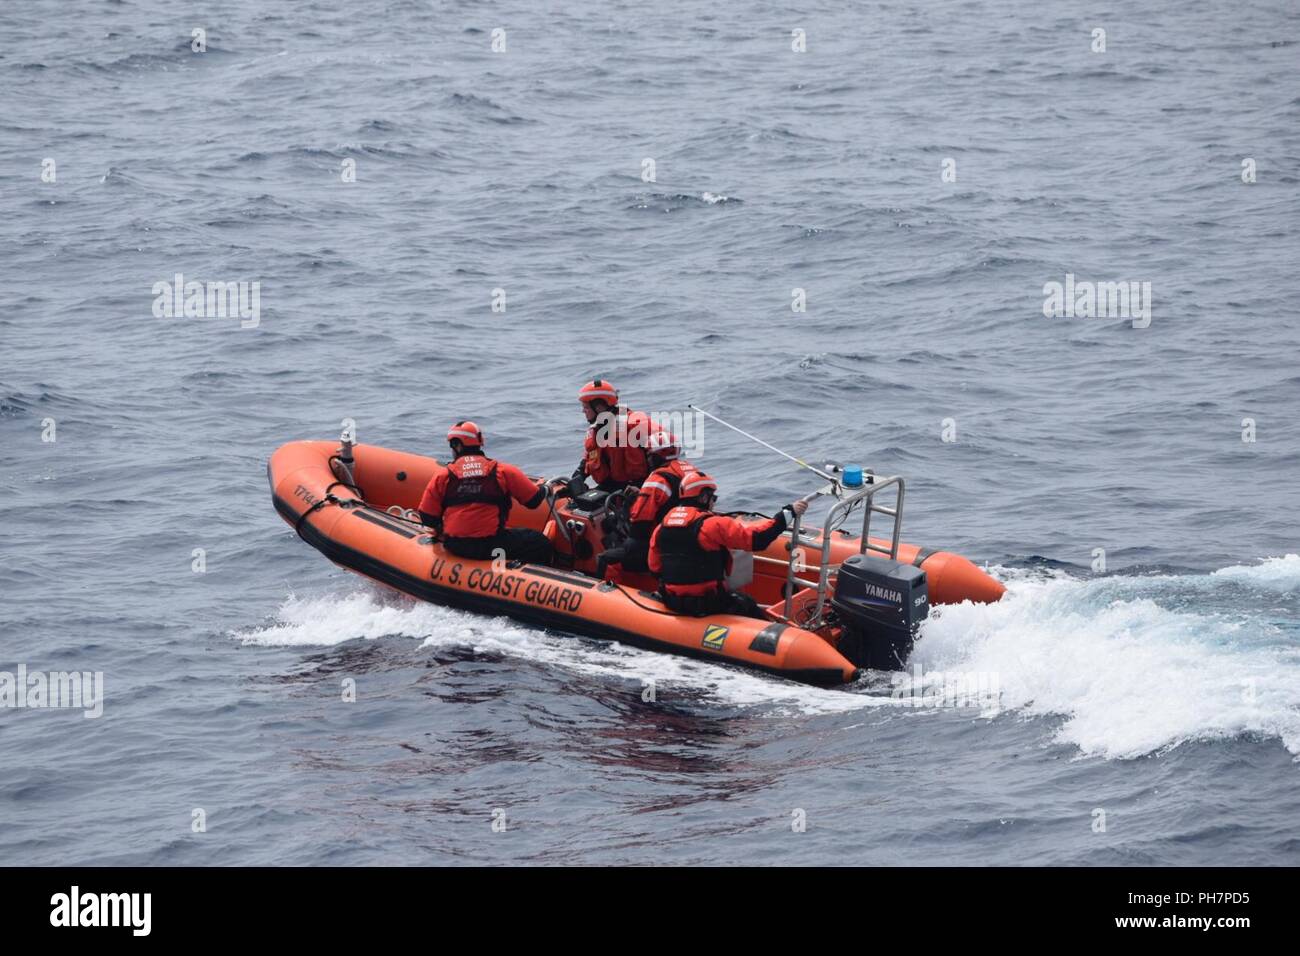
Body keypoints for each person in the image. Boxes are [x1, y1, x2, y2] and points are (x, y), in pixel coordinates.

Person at [649, 472, 809, 618]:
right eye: (714, 498)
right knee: (749, 606)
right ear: (704, 498)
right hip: (708, 602)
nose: (714, 503)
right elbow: (758, 539)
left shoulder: (661, 527)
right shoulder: (712, 525)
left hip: (673, 600)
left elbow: (654, 568)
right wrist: (787, 514)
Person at [418, 421, 553, 564]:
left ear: (456, 445)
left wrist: (442, 531)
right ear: (479, 442)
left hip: (456, 546)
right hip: (492, 546)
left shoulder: (443, 476)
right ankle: (528, 576)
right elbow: (533, 501)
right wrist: (545, 488)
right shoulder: (503, 471)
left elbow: (427, 517)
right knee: (540, 543)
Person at [618, 431, 697, 573]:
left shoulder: (657, 480)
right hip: (691, 535)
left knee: (609, 557)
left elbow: (639, 526)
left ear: (657, 456)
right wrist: (641, 494)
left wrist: (630, 506)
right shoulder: (691, 471)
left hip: (665, 542)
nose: (647, 459)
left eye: (649, 455)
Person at [569, 379, 657, 494]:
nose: (583, 411)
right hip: (611, 488)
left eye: (586, 407)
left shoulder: (635, 424)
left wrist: (645, 488)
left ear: (599, 407)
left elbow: (664, 452)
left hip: (639, 488)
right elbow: (589, 458)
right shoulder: (596, 430)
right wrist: (578, 477)